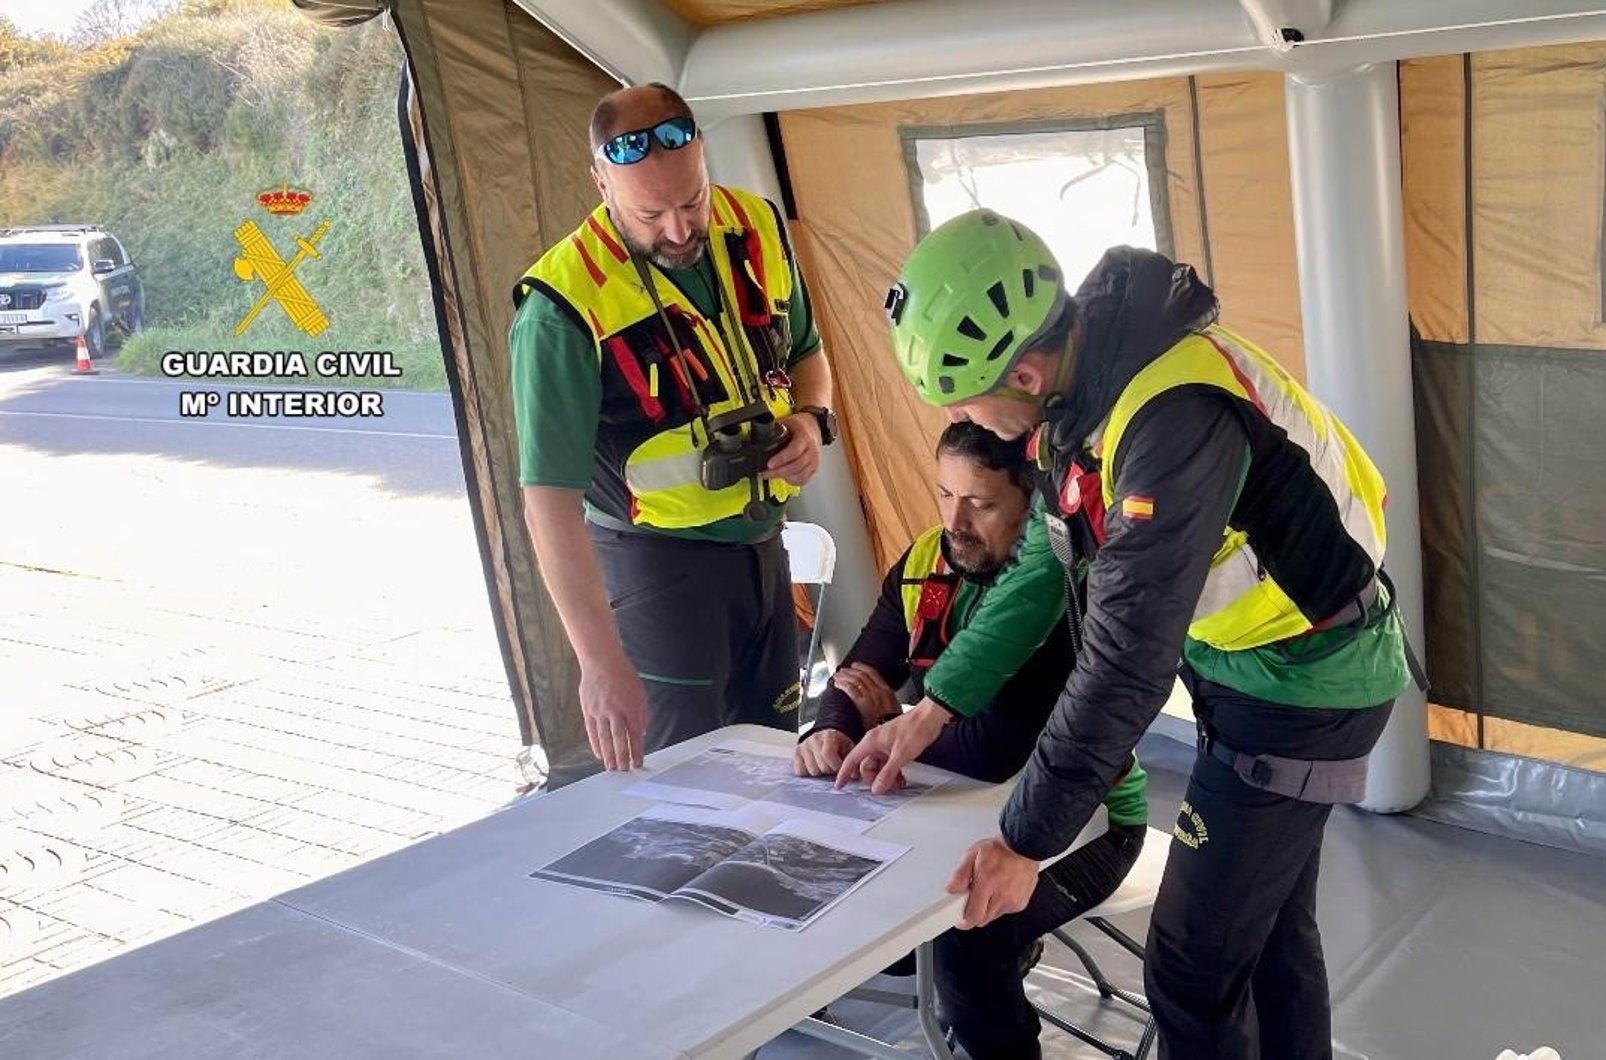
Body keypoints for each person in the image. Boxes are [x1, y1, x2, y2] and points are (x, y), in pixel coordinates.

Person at [841, 209, 1413, 1059]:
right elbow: (1046, 561)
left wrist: (1023, 841)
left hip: (1304, 686)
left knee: (1190, 968)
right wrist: (931, 710)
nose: (967, 418)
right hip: (1253, 670)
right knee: (1266, 941)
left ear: (1029, 373)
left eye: (967, 398)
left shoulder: (1171, 418)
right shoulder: (1088, 395)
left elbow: (1125, 661)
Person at [510, 82, 838, 784]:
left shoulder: (755, 227)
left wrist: (810, 419)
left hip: (760, 547)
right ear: (600, 183)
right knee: (686, 792)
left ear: (705, 158)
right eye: (649, 213)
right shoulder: (559, 308)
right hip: (657, 569)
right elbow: (547, 505)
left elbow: (809, 352)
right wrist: (599, 665)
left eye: (692, 201)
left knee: (774, 763)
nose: (679, 230)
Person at [794, 421, 1146, 1060]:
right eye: (944, 495)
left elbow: (993, 751)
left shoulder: (1061, 585)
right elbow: (861, 667)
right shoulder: (926, 558)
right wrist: (830, 729)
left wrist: (886, 723)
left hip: (1090, 828)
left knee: (968, 937)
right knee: (871, 917)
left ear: (1033, 506)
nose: (956, 520)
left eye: (981, 503)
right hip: (960, 815)